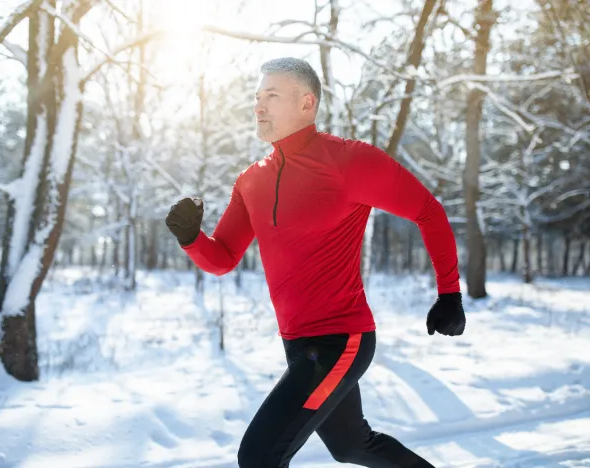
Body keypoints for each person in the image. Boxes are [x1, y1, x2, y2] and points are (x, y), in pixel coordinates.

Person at [165, 57, 466, 468]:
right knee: (353, 446)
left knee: (258, 456)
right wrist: (191, 238)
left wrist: (449, 293)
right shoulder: (251, 180)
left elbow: (428, 211)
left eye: (271, 96)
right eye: (257, 97)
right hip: (297, 343)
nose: (258, 106)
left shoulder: (349, 161)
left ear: (306, 103)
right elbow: (224, 258)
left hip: (341, 338)